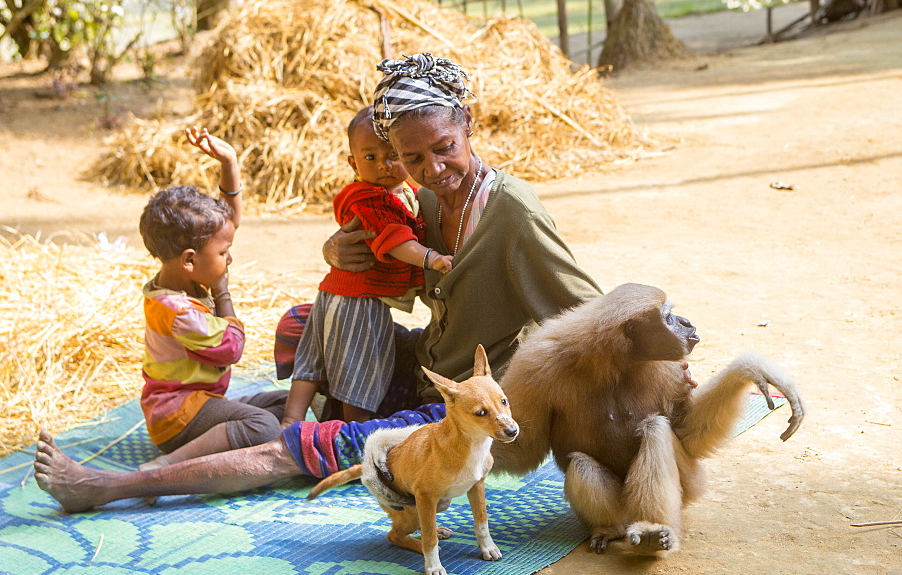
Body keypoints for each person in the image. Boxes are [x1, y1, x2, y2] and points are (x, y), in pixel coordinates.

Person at [34, 54, 602, 512]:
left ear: (468, 126)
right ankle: (291, 421)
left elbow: (590, 311)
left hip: (463, 407)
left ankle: (114, 488)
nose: (430, 168)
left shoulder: (512, 212)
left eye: (444, 148)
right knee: (301, 324)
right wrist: (335, 250)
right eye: (411, 157)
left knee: (303, 444)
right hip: (430, 365)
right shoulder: (426, 200)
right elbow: (391, 280)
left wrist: (654, 370)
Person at [281, 106, 451, 428]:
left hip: (339, 291)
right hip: (359, 297)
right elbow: (394, 237)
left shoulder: (407, 193)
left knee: (314, 356)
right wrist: (430, 258)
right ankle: (352, 431)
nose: (384, 166)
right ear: (353, 163)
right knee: (358, 365)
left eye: (393, 155)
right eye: (370, 158)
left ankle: (291, 420)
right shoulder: (368, 198)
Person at [135, 127, 287, 472]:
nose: (229, 259)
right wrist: (223, 292)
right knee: (262, 426)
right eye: (224, 252)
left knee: (287, 402)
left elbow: (227, 223)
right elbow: (232, 348)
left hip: (202, 404)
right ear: (190, 260)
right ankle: (168, 464)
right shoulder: (177, 311)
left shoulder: (182, 280)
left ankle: (229, 442)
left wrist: (229, 162)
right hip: (177, 420)